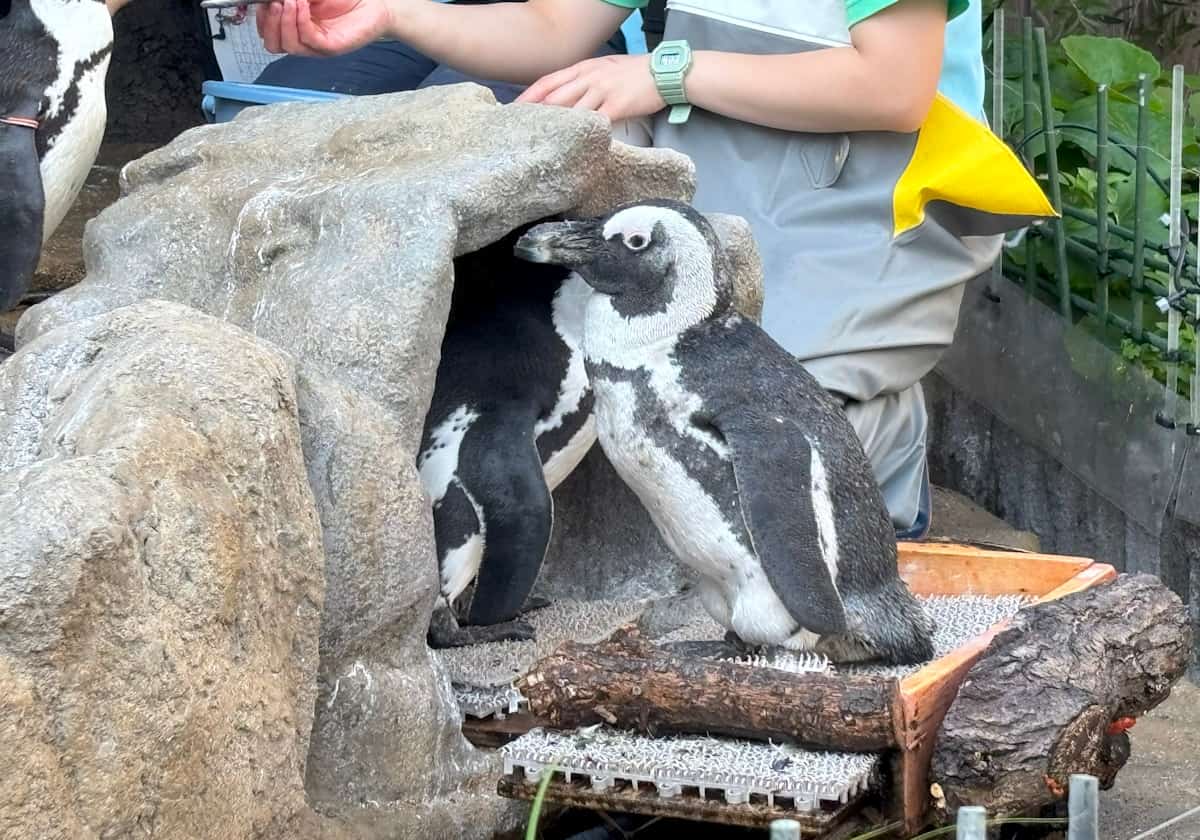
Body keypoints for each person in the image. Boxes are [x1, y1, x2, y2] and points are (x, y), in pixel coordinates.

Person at [254, 0, 1054, 539]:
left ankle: (883, 490)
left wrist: (665, 74)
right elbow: (552, 25)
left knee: (773, 444)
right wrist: (394, 12)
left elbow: (891, 87)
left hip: (876, 187)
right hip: (715, 150)